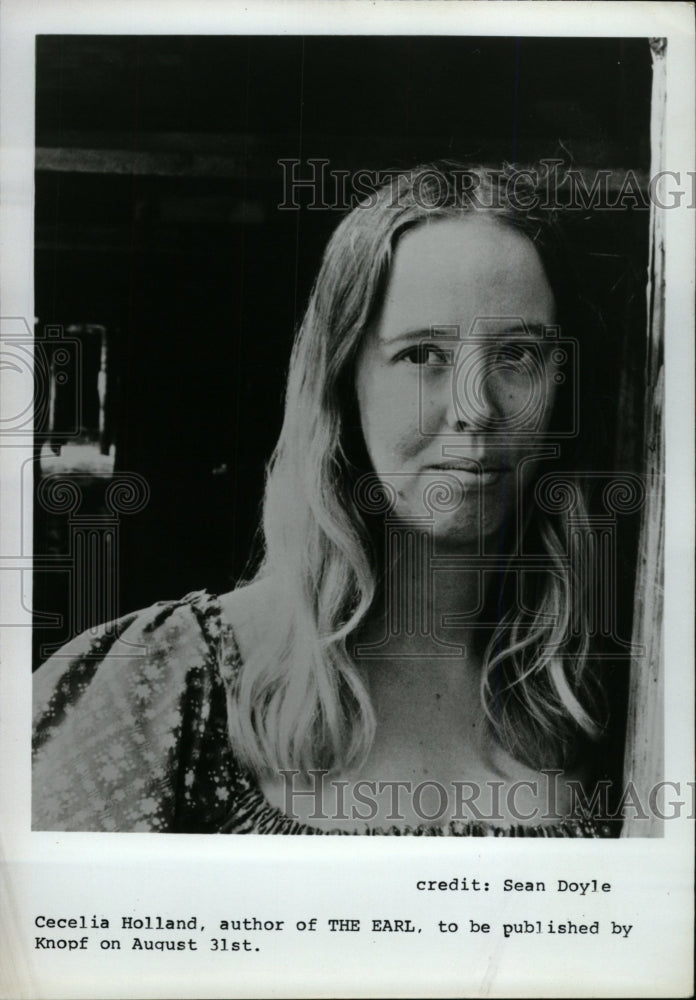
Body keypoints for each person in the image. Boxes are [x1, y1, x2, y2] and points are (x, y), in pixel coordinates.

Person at [32, 162, 618, 836]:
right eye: (423, 354)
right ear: (343, 385)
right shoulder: (164, 683)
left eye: (518, 354)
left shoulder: (603, 698)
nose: (475, 409)